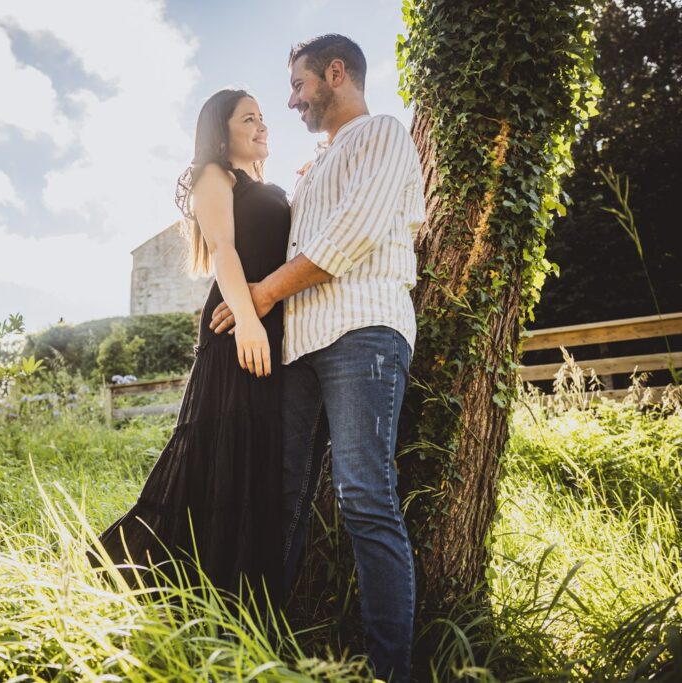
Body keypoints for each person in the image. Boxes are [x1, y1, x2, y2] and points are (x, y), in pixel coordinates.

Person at [210, 35, 424, 682]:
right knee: (281, 496)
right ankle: (260, 651)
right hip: (299, 349)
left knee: (363, 494)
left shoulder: (382, 132)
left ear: (336, 73)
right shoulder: (316, 163)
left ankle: (392, 669)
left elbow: (354, 234)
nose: (292, 100)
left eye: (300, 85)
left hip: (364, 333)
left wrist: (264, 292)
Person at [99, 89, 291, 610]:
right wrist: (249, 322)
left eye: (263, 117)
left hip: (268, 329)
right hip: (237, 331)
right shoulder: (215, 175)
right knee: (219, 457)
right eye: (248, 118)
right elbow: (225, 250)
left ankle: (242, 599)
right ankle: (176, 593)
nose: (261, 125)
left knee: (254, 460)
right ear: (221, 131)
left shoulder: (266, 184)